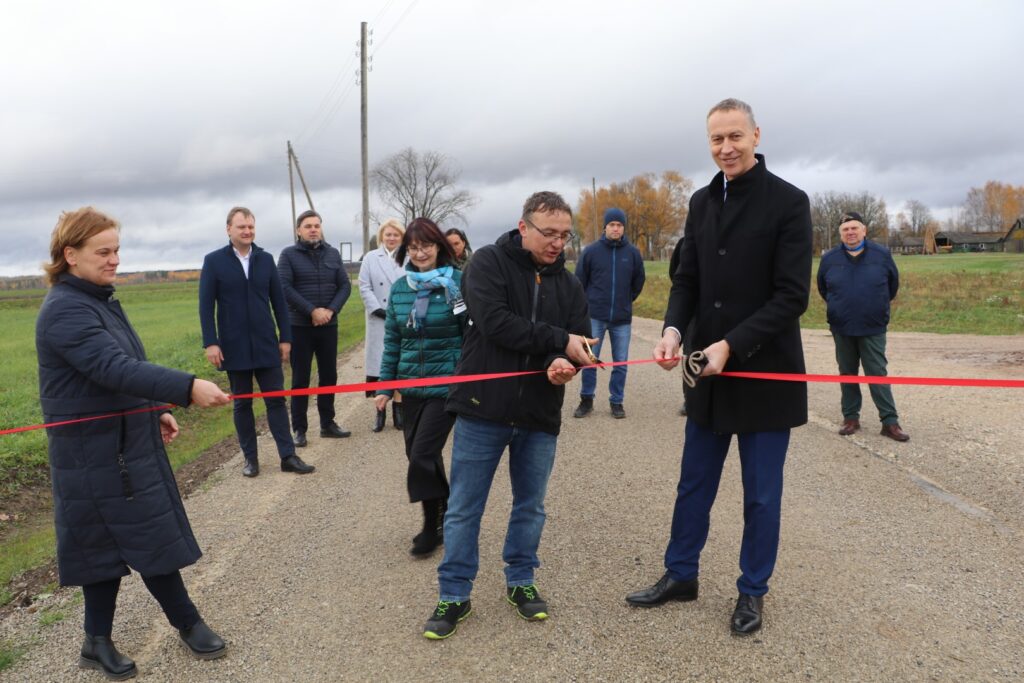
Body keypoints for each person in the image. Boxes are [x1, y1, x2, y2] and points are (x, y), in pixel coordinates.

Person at [626, 99, 812, 636]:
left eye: (735, 136)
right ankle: (681, 574)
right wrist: (672, 331)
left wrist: (732, 345)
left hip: (764, 375)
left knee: (761, 496)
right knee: (694, 484)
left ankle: (752, 590)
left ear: (756, 135)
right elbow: (687, 279)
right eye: (716, 139)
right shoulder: (701, 202)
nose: (726, 148)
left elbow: (791, 296)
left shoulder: (789, 202)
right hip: (705, 376)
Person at [37, 207, 232, 679]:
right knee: (116, 541)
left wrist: (155, 407)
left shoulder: (98, 300)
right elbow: (112, 368)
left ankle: (111, 638)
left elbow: (123, 366)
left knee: (137, 533)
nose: (115, 260)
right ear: (71, 255)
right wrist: (186, 387)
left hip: (121, 443)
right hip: (90, 453)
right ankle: (166, 627)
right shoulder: (65, 309)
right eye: (103, 252)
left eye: (117, 250)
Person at [422, 191, 595, 640]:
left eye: (565, 235)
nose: (558, 243)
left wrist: (562, 364)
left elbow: (579, 341)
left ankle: (521, 580)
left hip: (539, 413)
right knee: (464, 508)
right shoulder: (487, 264)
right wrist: (559, 341)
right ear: (523, 227)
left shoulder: (570, 285)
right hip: (483, 408)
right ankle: (454, 593)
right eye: (549, 233)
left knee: (530, 506)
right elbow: (496, 324)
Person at [374, 218, 467, 556]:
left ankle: (432, 527)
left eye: (426, 245)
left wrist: (467, 376)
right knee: (417, 454)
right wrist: (385, 387)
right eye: (413, 247)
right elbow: (393, 341)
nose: (420, 253)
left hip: (447, 386)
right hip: (411, 387)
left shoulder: (458, 283)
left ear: (439, 246)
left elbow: (470, 334)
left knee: (423, 454)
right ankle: (444, 512)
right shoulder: (401, 289)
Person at [199, 207, 315, 477]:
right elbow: (206, 306)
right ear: (229, 229)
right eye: (242, 227)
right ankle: (250, 459)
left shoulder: (265, 259)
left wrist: (285, 338)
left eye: (251, 227)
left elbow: (279, 303)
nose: (247, 231)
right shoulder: (214, 261)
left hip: (266, 343)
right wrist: (211, 343)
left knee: (276, 401)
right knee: (242, 404)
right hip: (233, 346)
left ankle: (288, 456)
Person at [817, 211, 909, 442]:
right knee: (847, 373)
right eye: (845, 229)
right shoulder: (829, 259)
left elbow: (892, 286)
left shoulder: (881, 255)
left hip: (872, 326)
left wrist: (875, 306)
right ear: (840, 234)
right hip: (842, 327)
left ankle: (889, 422)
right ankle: (850, 418)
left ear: (864, 230)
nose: (850, 232)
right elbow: (823, 289)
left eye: (854, 228)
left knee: (877, 373)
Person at [278, 209, 353, 447]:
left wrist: (330, 311)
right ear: (298, 230)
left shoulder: (332, 253)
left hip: (328, 325)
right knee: (301, 378)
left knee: (329, 375)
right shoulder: (288, 255)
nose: (313, 230)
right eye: (308, 226)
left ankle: (327, 423)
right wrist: (312, 311)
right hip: (299, 326)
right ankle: (299, 429)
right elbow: (284, 288)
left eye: (316, 226)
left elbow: (345, 286)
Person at [572, 207, 645, 419]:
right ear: (605, 227)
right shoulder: (591, 252)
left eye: (619, 225)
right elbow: (579, 281)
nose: (615, 228)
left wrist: (626, 300)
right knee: (589, 360)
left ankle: (616, 401)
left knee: (621, 363)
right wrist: (588, 305)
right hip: (594, 317)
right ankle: (586, 399)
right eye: (612, 224)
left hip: (622, 319)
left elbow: (638, 281)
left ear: (623, 228)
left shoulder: (633, 254)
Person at [358, 218, 406, 432]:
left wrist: (401, 311)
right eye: (388, 234)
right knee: (380, 364)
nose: (392, 238)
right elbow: (364, 285)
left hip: (402, 317)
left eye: (396, 234)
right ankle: (380, 411)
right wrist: (377, 309)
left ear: (402, 237)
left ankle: (399, 409)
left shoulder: (408, 257)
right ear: (381, 237)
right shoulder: (370, 257)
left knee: (400, 362)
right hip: (378, 318)